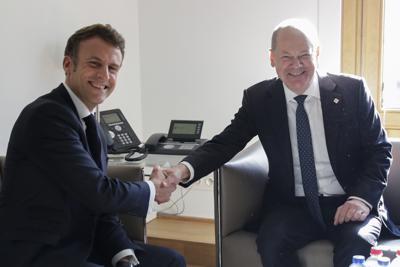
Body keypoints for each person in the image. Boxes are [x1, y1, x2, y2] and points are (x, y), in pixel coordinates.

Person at [164, 18, 398, 267]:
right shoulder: (259, 99)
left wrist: (360, 200)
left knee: (356, 247)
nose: (296, 65)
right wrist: (181, 170)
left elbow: (379, 150)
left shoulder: (353, 91)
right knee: (272, 242)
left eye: (304, 55)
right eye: (286, 57)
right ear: (272, 59)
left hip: (348, 201)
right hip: (294, 206)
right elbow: (225, 143)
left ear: (317, 54)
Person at [0, 24, 185, 267]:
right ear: (68, 65)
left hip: (83, 243)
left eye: (113, 68)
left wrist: (125, 256)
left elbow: (101, 210)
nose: (104, 76)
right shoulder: (47, 116)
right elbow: (99, 193)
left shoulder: (93, 126)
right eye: (95, 64)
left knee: (172, 260)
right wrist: (151, 188)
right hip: (41, 252)